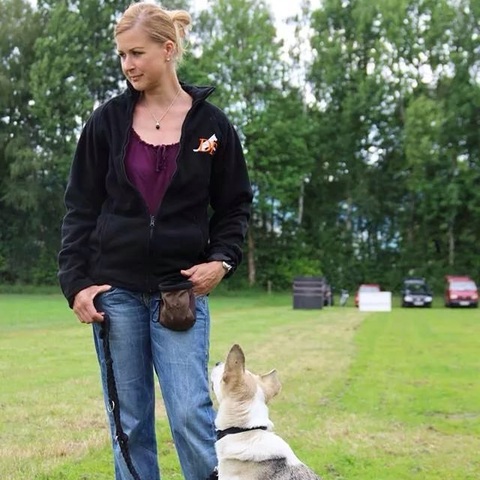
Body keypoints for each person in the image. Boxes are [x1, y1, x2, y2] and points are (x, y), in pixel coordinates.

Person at [58, 2, 253, 480]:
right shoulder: (106, 122)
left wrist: (222, 260)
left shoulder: (212, 127)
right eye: (122, 55)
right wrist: (75, 283)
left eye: (137, 53)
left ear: (168, 50)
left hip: (179, 293)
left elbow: (235, 206)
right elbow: (80, 207)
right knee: (130, 422)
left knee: (189, 413)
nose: (128, 64)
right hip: (115, 293)